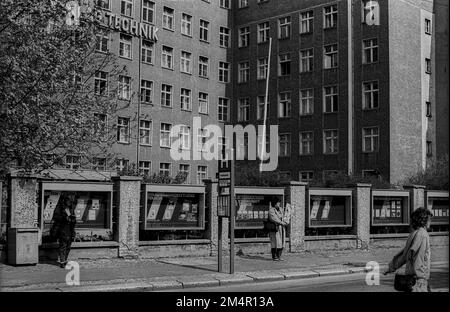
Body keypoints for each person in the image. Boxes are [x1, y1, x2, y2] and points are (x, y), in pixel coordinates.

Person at [383, 207, 433, 292]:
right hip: (419, 281)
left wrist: (391, 267)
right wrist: (421, 276)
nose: (430, 222)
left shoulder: (413, 234)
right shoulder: (423, 235)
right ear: (423, 220)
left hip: (412, 280)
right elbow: (417, 257)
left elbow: (404, 255)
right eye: (429, 219)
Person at [52, 195, 77, 268]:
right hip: (62, 229)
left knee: (68, 246)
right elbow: (55, 218)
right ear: (65, 201)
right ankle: (62, 261)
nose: (69, 202)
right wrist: (64, 218)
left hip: (70, 229)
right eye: (68, 200)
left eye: (70, 201)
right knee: (63, 245)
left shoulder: (71, 209)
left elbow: (74, 219)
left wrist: (73, 219)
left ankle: (65, 260)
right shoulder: (59, 208)